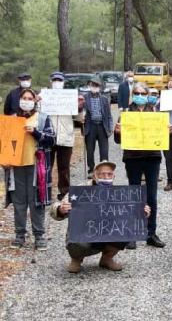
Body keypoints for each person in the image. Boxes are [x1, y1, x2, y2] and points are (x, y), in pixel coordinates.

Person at [50, 160, 150, 273]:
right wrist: (61, 209)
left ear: (114, 176)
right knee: (77, 242)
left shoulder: (120, 194)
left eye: (109, 174)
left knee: (126, 228)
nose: (106, 177)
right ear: (94, 176)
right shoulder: (80, 190)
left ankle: (107, 259)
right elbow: (54, 208)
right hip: (83, 234)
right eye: (102, 174)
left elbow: (132, 213)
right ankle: (76, 259)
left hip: (106, 233)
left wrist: (142, 212)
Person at [114, 82, 169, 248]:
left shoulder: (156, 113)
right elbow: (118, 140)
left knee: (151, 196)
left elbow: (164, 138)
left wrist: (168, 131)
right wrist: (118, 132)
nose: (140, 96)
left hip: (152, 157)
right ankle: (132, 233)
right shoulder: (125, 114)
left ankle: (151, 233)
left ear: (147, 95)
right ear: (133, 95)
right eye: (137, 93)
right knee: (134, 194)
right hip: (132, 158)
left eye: (143, 93)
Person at [6, 88, 56, 250]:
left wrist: (35, 133)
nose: (26, 100)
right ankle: (19, 234)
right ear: (19, 100)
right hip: (16, 166)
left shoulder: (43, 118)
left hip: (37, 167)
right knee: (19, 201)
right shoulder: (12, 119)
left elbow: (51, 139)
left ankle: (39, 235)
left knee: (37, 201)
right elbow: (2, 142)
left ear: (35, 101)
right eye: (24, 98)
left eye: (30, 98)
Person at [44, 71, 83, 200]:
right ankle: (45, 193)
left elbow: (79, 119)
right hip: (48, 137)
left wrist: (80, 107)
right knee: (46, 167)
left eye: (59, 81)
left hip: (66, 137)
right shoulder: (44, 96)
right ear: (51, 82)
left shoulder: (70, 97)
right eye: (55, 80)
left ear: (63, 82)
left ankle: (65, 193)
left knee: (64, 168)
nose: (57, 83)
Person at [80, 76, 113, 177]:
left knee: (104, 151)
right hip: (90, 127)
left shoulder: (104, 99)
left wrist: (110, 128)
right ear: (89, 85)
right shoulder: (84, 98)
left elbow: (108, 115)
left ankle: (103, 170)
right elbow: (79, 113)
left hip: (102, 127)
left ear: (100, 87)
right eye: (93, 85)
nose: (94, 87)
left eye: (97, 85)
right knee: (90, 150)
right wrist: (81, 119)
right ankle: (91, 170)